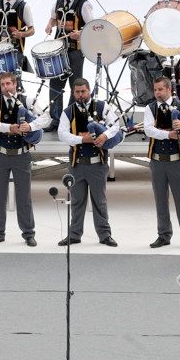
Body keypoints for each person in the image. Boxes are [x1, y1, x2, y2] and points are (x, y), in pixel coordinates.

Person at [0, 71, 46, 246]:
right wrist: (10, 128)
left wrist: (31, 125)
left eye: (8, 84)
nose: (5, 87)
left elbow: (46, 118)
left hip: (21, 156)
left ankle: (28, 233)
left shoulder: (26, 100)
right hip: (0, 155)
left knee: (24, 197)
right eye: (2, 84)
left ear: (15, 84)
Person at [57, 78, 119, 247]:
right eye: (77, 92)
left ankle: (105, 235)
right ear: (73, 93)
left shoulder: (102, 106)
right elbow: (62, 134)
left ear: (89, 90)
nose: (80, 95)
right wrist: (82, 139)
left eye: (83, 91)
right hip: (77, 164)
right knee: (76, 201)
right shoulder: (68, 112)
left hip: (97, 164)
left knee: (100, 201)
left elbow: (116, 125)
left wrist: (104, 135)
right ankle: (74, 234)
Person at [143, 77, 180, 250]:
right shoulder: (150, 108)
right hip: (157, 162)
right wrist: (168, 135)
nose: (157, 93)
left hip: (177, 161)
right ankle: (163, 235)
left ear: (169, 89)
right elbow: (148, 129)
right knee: (160, 201)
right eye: (155, 90)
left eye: (160, 89)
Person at [44, 0, 92, 130]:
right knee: (55, 84)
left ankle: (71, 119)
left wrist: (80, 33)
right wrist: (50, 25)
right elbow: (53, 17)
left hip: (75, 52)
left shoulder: (83, 4)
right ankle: (56, 119)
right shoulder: (59, 1)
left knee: (75, 86)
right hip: (59, 51)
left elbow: (92, 27)